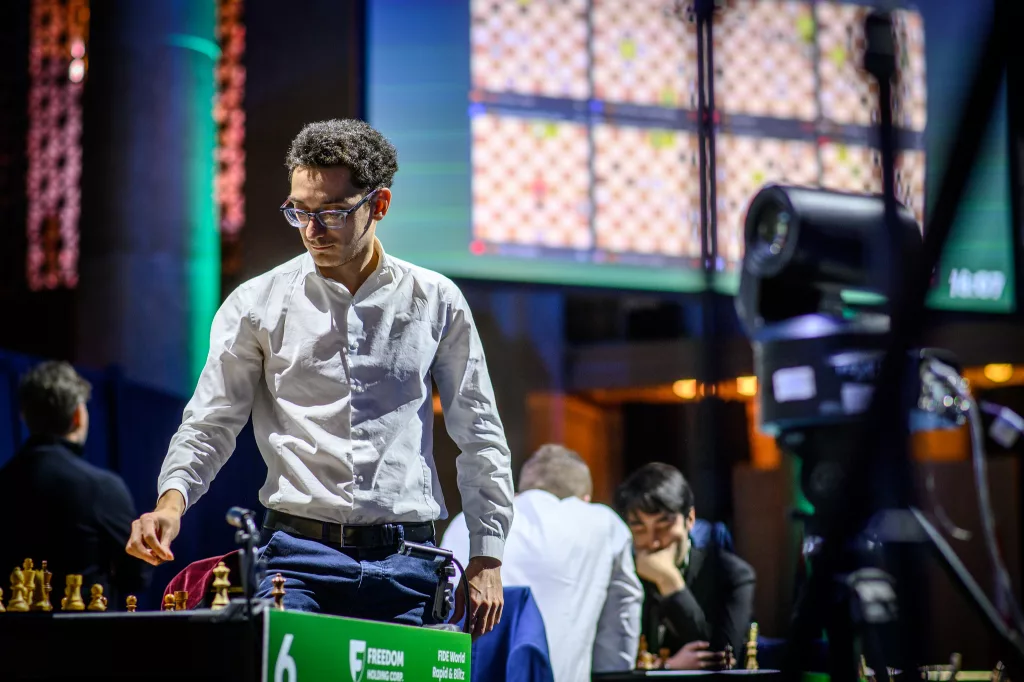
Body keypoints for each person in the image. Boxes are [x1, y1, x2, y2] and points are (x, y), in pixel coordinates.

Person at [125, 119, 513, 633]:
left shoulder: (435, 300)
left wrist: (487, 555)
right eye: (299, 212)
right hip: (295, 558)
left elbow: (479, 432)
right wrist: (170, 502)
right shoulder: (257, 302)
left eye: (331, 213)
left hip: (409, 560)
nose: (312, 230)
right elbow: (211, 421)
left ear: (379, 205)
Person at [443, 444, 643, 682]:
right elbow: (621, 622)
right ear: (585, 499)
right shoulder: (605, 524)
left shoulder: (465, 522)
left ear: (519, 493)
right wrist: (609, 671)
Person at [0, 361, 148, 606]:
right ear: (78, 415)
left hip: (9, 638)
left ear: (24, 416)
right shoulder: (103, 488)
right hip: (84, 637)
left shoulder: (4, 482)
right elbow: (137, 577)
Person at [615, 463, 755, 670]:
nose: (652, 542)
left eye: (663, 525)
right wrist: (668, 666)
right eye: (639, 528)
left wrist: (670, 583)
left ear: (689, 519)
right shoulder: (621, 574)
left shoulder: (733, 574)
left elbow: (722, 660)